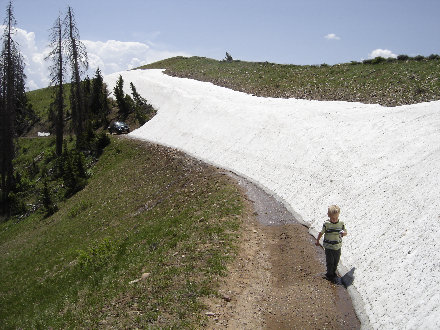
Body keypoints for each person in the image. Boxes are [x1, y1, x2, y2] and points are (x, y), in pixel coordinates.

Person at [315, 205, 347, 283]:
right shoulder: (327, 224)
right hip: (328, 246)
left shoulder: (341, 224)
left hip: (337, 246)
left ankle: (333, 272)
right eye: (333, 218)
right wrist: (317, 240)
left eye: (336, 218)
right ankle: (329, 274)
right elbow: (321, 232)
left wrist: (343, 233)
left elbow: (345, 232)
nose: (334, 220)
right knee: (330, 260)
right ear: (329, 215)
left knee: (336, 260)